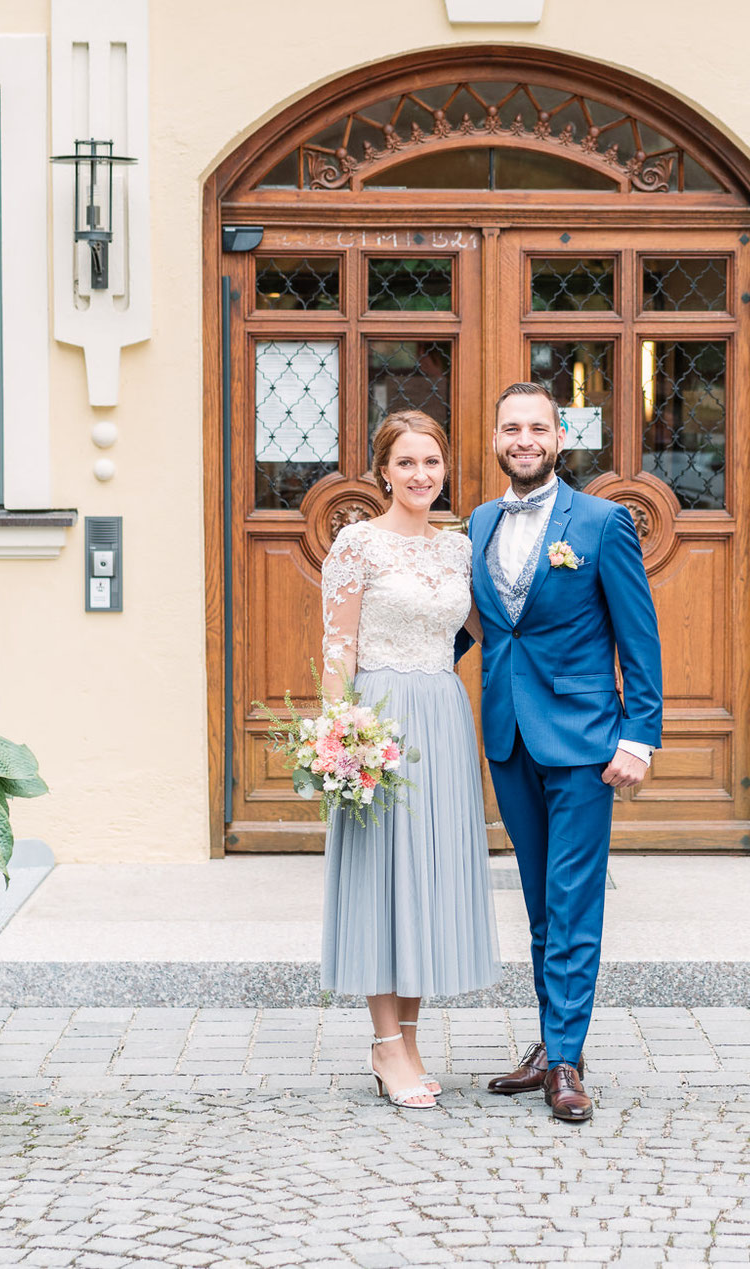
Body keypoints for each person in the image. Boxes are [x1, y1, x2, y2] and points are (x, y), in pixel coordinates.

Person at [460, 382, 663, 1124]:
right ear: (495, 439)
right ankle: (550, 1044)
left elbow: (639, 636)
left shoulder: (604, 523)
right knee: (541, 899)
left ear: (560, 435)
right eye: (510, 426)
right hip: (509, 735)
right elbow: (471, 623)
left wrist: (639, 735)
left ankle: (569, 1057)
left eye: (537, 427)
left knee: (573, 900)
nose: (523, 438)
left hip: (583, 741)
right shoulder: (480, 521)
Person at [317, 410, 501, 1111]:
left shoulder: (457, 552)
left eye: (432, 462)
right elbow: (339, 649)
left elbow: (489, 630)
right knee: (381, 878)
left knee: (425, 876)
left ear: (444, 468)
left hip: (444, 719)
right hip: (381, 716)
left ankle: (412, 1038)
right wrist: (343, 739)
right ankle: (385, 1041)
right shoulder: (356, 544)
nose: (421, 475)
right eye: (406, 464)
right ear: (382, 472)